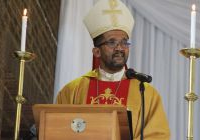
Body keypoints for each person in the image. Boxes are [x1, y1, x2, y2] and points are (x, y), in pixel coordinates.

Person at [56, 0, 170, 139]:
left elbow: (158, 136)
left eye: (124, 42)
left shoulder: (145, 93)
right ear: (96, 51)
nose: (120, 48)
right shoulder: (72, 91)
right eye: (112, 42)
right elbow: (58, 131)